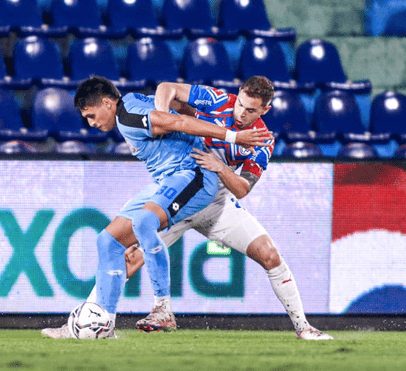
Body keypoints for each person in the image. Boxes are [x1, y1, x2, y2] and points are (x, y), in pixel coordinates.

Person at [42, 76, 333, 341]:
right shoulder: (218, 100)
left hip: (215, 200)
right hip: (182, 189)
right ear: (238, 95)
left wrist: (220, 167)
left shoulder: (262, 141)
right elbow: (166, 89)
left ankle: (303, 327)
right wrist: (162, 119)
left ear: (264, 111)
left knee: (270, 255)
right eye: (241, 104)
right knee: (127, 255)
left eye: (251, 110)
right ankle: (92, 324)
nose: (241, 113)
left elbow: (242, 189)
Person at [66, 76, 272, 336]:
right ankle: (104, 322)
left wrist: (232, 135)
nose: (92, 123)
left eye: (91, 115)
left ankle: (163, 308)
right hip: (168, 180)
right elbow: (169, 96)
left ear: (107, 103)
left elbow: (178, 122)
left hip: (193, 174)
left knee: (144, 222)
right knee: (107, 241)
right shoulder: (130, 106)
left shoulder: (129, 116)